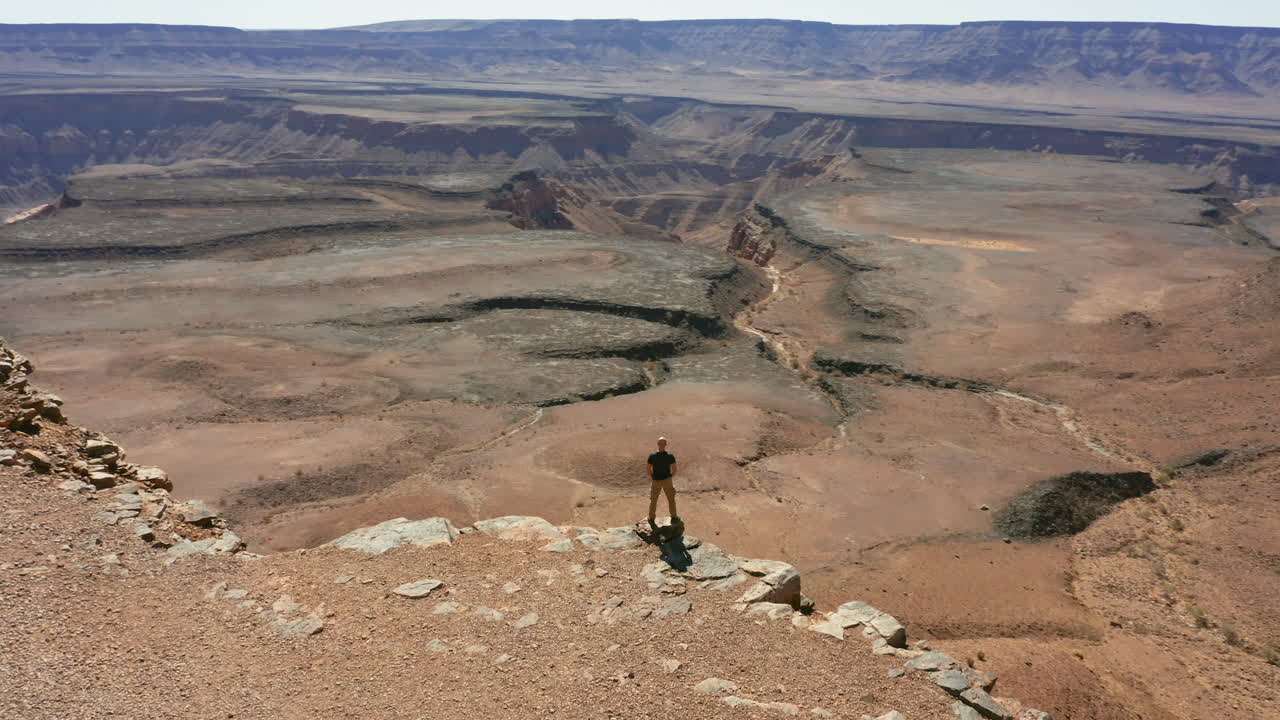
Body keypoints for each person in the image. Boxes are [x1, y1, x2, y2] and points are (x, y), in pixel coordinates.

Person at [646, 436, 679, 529]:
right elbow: (674, 469)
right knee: (671, 499)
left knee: (653, 500)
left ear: (658, 444)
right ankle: (674, 516)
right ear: (665, 444)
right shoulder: (670, 456)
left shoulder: (652, 456)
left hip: (656, 481)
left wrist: (653, 476)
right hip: (667, 481)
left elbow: (648, 469)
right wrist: (669, 477)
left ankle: (651, 518)